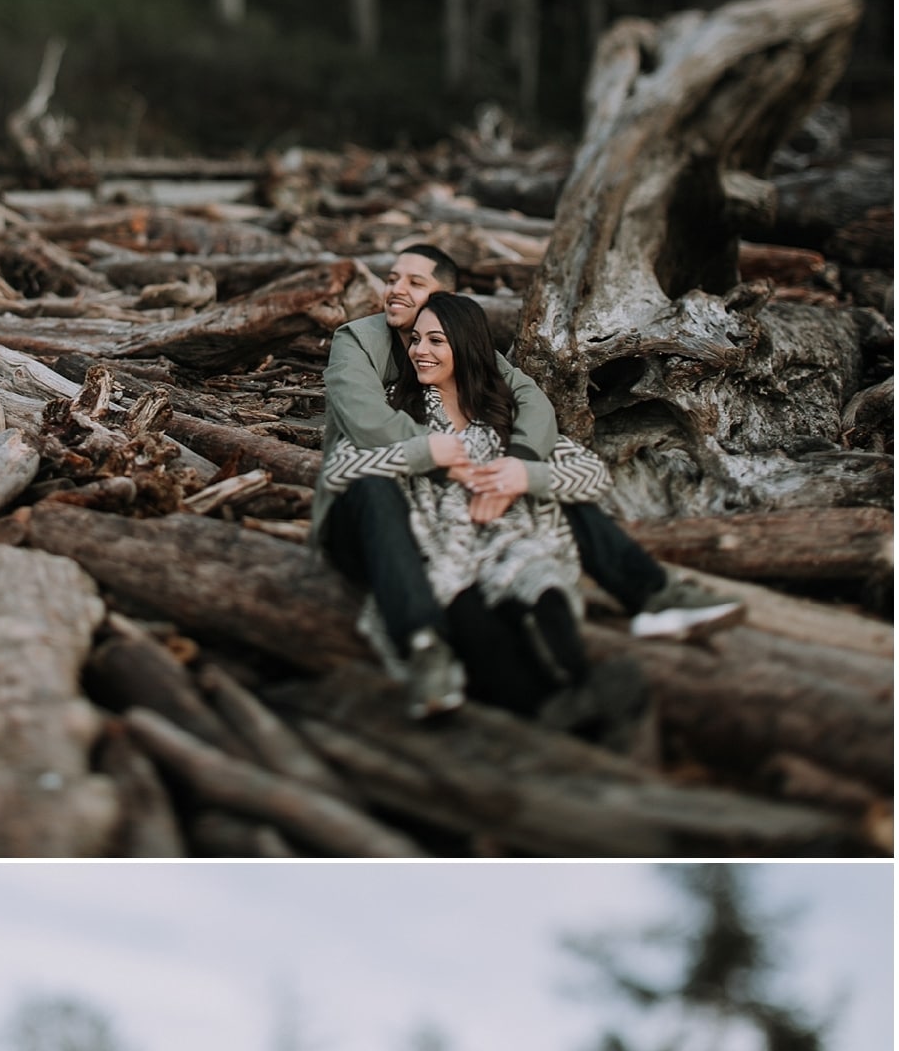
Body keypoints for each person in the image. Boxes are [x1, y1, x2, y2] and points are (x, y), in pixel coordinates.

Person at [315, 243, 743, 719]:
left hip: (469, 521)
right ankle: (426, 645)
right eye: (392, 278)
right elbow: (368, 428)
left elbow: (533, 404)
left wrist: (516, 466)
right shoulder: (362, 345)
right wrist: (441, 458)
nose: (395, 289)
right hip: (369, 508)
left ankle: (649, 597)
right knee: (451, 578)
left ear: (450, 303)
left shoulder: (468, 362)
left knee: (538, 515)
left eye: (416, 284)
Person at [320, 290, 640, 730]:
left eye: (436, 341)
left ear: (465, 345)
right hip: (435, 546)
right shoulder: (397, 407)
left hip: (502, 544)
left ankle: (579, 698)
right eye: (415, 340)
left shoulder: (502, 415)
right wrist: (424, 453)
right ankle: (545, 721)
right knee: (473, 619)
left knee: (540, 595)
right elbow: (342, 467)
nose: (419, 351)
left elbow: (590, 475)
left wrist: (525, 477)